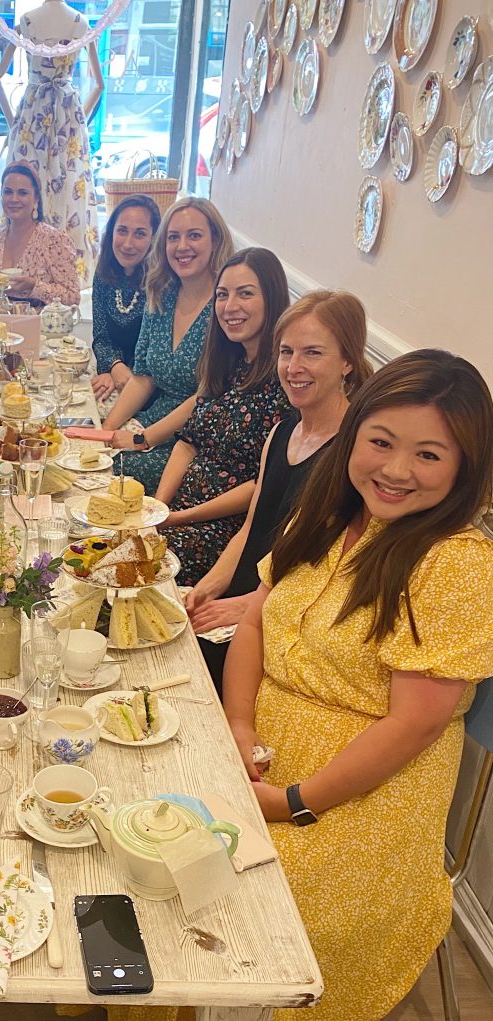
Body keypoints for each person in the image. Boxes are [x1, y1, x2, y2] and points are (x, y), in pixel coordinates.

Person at [224, 350, 493, 1021]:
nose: (397, 470)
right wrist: (236, 727)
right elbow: (254, 622)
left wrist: (290, 801)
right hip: (261, 749)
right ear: (356, 435)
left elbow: (415, 724)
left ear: (464, 466)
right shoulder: (327, 515)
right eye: (381, 441)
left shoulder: (455, 562)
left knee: (226, 898)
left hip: (364, 796)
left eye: (429, 455)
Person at [187, 291, 372, 689]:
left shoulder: (352, 456)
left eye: (313, 353)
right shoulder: (281, 431)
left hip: (279, 613)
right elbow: (253, 528)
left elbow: (322, 578)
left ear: (347, 362)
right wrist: (209, 586)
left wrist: (247, 606)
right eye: (287, 352)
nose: (294, 367)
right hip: (246, 592)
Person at [154, 248, 291, 587]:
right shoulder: (228, 362)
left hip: (224, 525)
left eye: (245, 293)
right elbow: (188, 444)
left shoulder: (285, 380)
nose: (230, 307)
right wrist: (156, 508)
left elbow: (261, 485)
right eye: (222, 295)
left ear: (272, 299)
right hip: (180, 510)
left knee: (139, 568)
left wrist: (179, 518)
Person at [101, 197, 234, 491]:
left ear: (216, 240)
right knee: (85, 455)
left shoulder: (226, 306)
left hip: (192, 440)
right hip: (153, 419)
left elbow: (205, 397)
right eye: (173, 237)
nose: (182, 246)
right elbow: (143, 377)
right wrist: (105, 432)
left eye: (194, 235)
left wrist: (142, 439)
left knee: (110, 472)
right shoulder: (162, 294)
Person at [0, 0, 102, 283]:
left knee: (53, 189)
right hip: (64, 116)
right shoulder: (30, 23)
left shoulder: (76, 23)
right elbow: (99, 85)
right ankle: (27, 273)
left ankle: (57, 278)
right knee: (33, 190)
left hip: (33, 115)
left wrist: (15, 124)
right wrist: (78, 121)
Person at [0, 162, 81, 307]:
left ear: (36, 198)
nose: (14, 199)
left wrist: (34, 287)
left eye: (22, 193)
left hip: (39, 328)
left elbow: (72, 297)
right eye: (8, 192)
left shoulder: (55, 241)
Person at [90, 195, 161, 402]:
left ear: (153, 238)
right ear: (111, 231)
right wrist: (114, 366)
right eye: (122, 231)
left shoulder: (162, 283)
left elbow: (156, 352)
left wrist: (123, 372)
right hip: (112, 376)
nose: (128, 243)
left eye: (140, 234)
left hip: (149, 389)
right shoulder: (104, 274)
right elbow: (100, 337)